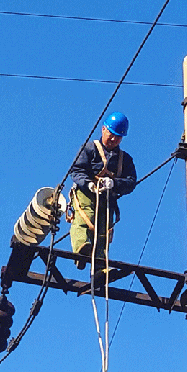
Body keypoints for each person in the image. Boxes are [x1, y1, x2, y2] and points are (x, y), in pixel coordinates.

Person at [69, 111, 138, 270]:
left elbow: (131, 182)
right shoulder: (90, 149)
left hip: (107, 198)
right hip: (86, 193)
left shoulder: (125, 159)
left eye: (118, 137)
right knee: (85, 217)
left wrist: (114, 183)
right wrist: (88, 184)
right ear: (103, 129)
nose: (113, 139)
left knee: (104, 229)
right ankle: (81, 249)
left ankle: (100, 267)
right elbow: (76, 171)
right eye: (111, 134)